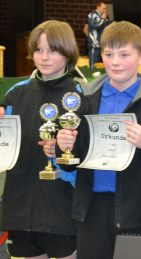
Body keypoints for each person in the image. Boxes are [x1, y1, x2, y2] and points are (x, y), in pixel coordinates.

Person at [56, 21, 141, 259]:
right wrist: (63, 146)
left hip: (138, 214)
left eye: (124, 54)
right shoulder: (83, 99)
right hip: (91, 209)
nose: (115, 61)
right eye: (109, 54)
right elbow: (68, 162)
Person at [0, 20, 80, 259]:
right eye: (38, 50)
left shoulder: (81, 96)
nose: (44, 57)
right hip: (20, 210)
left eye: (53, 50)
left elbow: (86, 156)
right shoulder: (15, 94)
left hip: (62, 212)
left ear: (67, 53)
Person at [88, 1, 110, 68]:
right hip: (94, 44)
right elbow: (95, 25)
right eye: (103, 8)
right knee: (93, 64)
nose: (105, 10)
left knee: (102, 64)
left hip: (103, 44)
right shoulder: (92, 15)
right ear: (98, 7)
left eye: (105, 8)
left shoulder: (104, 16)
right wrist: (102, 19)